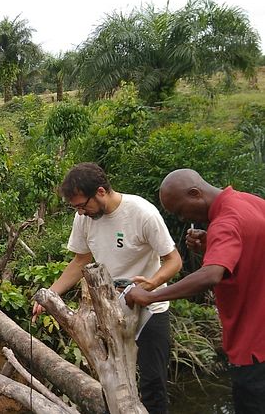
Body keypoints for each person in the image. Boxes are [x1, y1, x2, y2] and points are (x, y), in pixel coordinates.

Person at [31, 162, 182, 414]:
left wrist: (151, 285)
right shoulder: (84, 218)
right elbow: (80, 260)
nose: (80, 213)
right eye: (75, 207)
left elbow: (173, 260)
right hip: (108, 308)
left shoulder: (142, 213)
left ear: (100, 192)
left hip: (149, 308)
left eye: (82, 205)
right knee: (111, 381)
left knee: (153, 384)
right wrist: (51, 294)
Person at [124, 169, 265, 414]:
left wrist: (151, 295)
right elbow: (251, 252)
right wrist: (212, 245)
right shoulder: (250, 202)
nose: (182, 218)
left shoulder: (225, 222)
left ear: (195, 193)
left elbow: (210, 276)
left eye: (180, 211)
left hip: (252, 348)